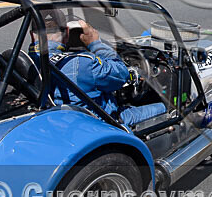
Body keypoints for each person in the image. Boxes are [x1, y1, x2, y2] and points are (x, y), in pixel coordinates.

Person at [29, 10, 166, 127]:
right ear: (67, 33)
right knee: (168, 108)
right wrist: (95, 43)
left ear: (31, 35)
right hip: (102, 122)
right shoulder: (81, 63)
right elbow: (122, 74)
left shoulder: (25, 61)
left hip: (57, 120)